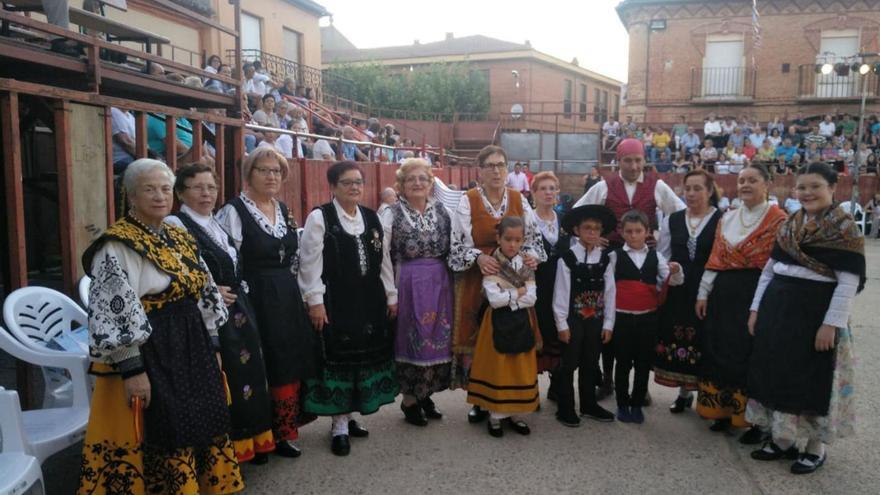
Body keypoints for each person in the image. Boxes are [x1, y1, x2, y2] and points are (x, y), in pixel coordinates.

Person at [77, 159, 243, 494]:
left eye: (165, 189)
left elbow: (203, 289)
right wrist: (132, 370)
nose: (159, 196)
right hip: (148, 351)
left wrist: (212, 344)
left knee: (200, 419)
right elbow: (114, 308)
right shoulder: (117, 245)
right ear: (132, 196)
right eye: (149, 189)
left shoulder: (177, 236)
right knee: (160, 428)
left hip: (190, 344)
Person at [746, 162, 865, 474]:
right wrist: (756, 309)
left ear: (832, 189)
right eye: (802, 187)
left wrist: (831, 324)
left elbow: (849, 280)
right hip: (779, 312)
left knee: (813, 381)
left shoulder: (843, 227)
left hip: (816, 315)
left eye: (815, 186)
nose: (808, 192)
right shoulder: (790, 224)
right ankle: (783, 440)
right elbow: (769, 271)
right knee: (779, 375)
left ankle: (816, 447)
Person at [166, 164, 274, 465]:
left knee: (248, 373)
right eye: (197, 188)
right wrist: (209, 292)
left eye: (211, 187)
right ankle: (226, 453)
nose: (206, 194)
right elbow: (184, 268)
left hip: (237, 308)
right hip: (208, 316)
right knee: (225, 378)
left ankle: (252, 441)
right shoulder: (176, 224)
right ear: (180, 193)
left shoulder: (214, 222)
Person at [216, 148, 317, 459]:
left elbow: (295, 255)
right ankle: (258, 438)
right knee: (257, 365)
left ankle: (283, 432)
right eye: (264, 170)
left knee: (285, 361)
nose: (272, 176)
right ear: (249, 174)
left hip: (285, 296)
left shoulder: (283, 209)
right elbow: (225, 259)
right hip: (253, 297)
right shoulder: (234, 211)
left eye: (277, 171)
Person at [298, 161, 399, 456]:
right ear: (333, 186)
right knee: (339, 358)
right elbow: (309, 264)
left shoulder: (371, 216)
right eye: (346, 182)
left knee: (363, 358)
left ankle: (352, 415)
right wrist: (314, 302)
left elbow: (383, 262)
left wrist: (391, 295)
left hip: (369, 300)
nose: (354, 187)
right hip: (336, 300)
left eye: (358, 182)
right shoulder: (321, 217)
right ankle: (338, 424)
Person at [574, 138, 685, 400]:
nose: (634, 166)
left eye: (638, 160)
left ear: (644, 161)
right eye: (628, 160)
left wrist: (661, 235)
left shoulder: (656, 185)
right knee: (610, 321)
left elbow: (679, 213)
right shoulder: (604, 185)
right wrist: (593, 236)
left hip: (645, 260)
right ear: (619, 161)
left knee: (642, 329)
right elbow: (578, 212)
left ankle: (640, 386)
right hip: (612, 258)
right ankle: (609, 381)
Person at [448, 145, 546, 424]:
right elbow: (456, 245)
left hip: (515, 278)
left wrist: (530, 256)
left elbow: (535, 240)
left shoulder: (519, 199)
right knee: (480, 341)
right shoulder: (468, 200)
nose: (496, 170)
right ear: (480, 170)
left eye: (500, 164)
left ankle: (514, 397)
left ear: (507, 169)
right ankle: (481, 400)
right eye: (490, 165)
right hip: (478, 277)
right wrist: (479, 258)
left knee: (511, 336)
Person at [695, 164, 787, 443]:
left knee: (751, 355)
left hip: (756, 294)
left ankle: (755, 421)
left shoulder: (778, 219)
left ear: (766, 183)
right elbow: (716, 259)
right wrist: (702, 292)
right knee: (720, 349)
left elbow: (777, 265)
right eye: (741, 180)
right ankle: (723, 412)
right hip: (723, 294)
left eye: (752, 180)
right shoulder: (728, 217)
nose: (745, 185)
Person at [380, 159, 453, 427]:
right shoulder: (391, 214)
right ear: (401, 185)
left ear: (431, 183)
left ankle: (426, 394)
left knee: (436, 337)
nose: (417, 183)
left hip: (439, 282)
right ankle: (410, 399)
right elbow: (383, 258)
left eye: (423, 178)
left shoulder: (443, 211)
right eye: (411, 179)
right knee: (412, 338)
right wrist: (391, 293)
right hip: (408, 282)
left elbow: (454, 247)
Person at [468, 216, 541, 437]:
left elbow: (532, 298)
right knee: (498, 366)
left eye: (517, 240)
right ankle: (495, 416)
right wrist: (518, 293)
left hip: (520, 321)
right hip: (496, 322)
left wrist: (508, 295)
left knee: (518, 365)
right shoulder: (492, 264)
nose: (512, 244)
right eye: (508, 239)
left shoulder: (526, 263)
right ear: (498, 238)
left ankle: (516, 413)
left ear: (523, 240)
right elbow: (494, 300)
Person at [607, 211, 683, 423]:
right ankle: (622, 404)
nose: (633, 235)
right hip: (621, 319)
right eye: (629, 231)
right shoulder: (614, 257)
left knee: (642, 364)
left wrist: (675, 271)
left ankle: (637, 403)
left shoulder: (656, 257)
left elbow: (670, 281)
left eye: (638, 231)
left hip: (647, 320)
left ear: (647, 232)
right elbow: (608, 288)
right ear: (621, 233)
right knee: (621, 363)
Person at [655, 170, 721, 412]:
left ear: (710, 191)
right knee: (681, 338)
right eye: (688, 189)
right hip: (680, 289)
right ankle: (684, 394)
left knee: (706, 340)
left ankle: (707, 395)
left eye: (698, 188)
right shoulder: (672, 220)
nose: (691, 194)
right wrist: (667, 272)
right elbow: (662, 255)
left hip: (710, 290)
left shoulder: (722, 219)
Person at [552, 204, 618, 427]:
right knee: (569, 364)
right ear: (577, 230)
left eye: (596, 229)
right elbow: (560, 293)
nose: (592, 232)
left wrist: (609, 322)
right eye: (587, 228)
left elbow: (610, 292)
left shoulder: (606, 259)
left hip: (596, 319)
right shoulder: (567, 258)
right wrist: (562, 324)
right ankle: (565, 407)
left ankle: (589, 404)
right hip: (573, 319)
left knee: (591, 362)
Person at [530, 172, 569, 400]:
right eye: (543, 188)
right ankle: (530, 389)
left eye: (552, 188)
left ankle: (557, 385)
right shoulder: (528, 221)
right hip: (536, 287)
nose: (548, 193)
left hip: (561, 288)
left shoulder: (565, 222)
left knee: (558, 333)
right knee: (535, 335)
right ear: (533, 193)